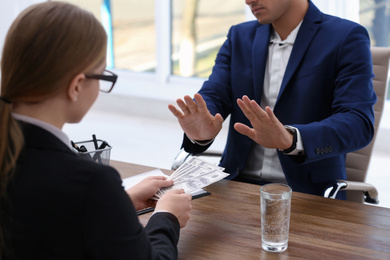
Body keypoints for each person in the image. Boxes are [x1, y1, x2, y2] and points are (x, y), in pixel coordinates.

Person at [0, 2, 191, 259]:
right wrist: (167, 218)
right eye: (103, 77)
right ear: (76, 85)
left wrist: (117, 202)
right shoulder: (89, 182)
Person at [168, 0, 376, 199]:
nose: (249, 1)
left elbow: (358, 122)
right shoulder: (239, 36)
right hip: (236, 186)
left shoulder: (345, 37)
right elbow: (214, 94)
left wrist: (291, 139)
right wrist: (202, 131)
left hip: (307, 194)